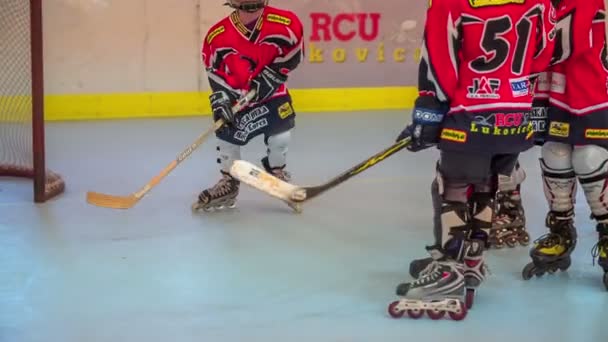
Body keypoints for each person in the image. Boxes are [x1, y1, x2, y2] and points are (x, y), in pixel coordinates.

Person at [387, 0, 556, 320]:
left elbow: (440, 65)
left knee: (452, 187)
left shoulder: (448, 3)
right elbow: (544, 54)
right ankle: (471, 261)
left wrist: (430, 117)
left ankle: (449, 268)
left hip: (470, 114)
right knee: (484, 188)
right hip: (516, 116)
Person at [522, 0, 608, 291]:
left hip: (591, 75)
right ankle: (560, 229)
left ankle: (607, 231)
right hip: (553, 78)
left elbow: (567, 37)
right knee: (555, 151)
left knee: (590, 155)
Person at [194, 0, 304, 212]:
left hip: (272, 94)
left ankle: (277, 173)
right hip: (238, 97)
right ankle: (229, 182)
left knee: (280, 136)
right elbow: (214, 71)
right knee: (226, 134)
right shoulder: (217, 36)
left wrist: (274, 74)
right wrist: (222, 99)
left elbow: (294, 53)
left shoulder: (286, 23)